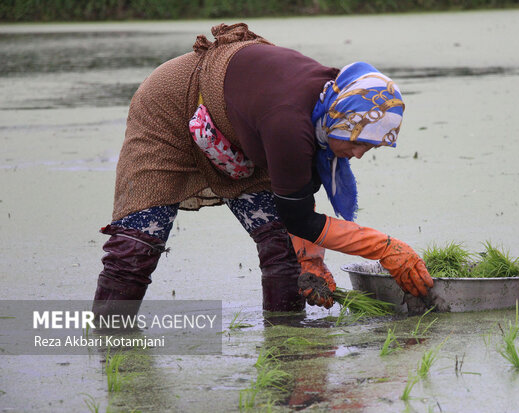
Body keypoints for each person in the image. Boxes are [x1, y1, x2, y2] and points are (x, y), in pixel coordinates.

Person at [92, 23, 433, 316]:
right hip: (170, 109)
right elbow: (298, 217)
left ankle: (288, 348)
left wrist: (310, 260)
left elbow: (298, 194)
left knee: (281, 247)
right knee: (138, 246)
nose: (358, 156)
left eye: (369, 149)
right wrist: (385, 248)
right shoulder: (291, 123)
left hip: (242, 129)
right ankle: (107, 340)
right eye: (359, 144)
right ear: (342, 121)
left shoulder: (327, 111)